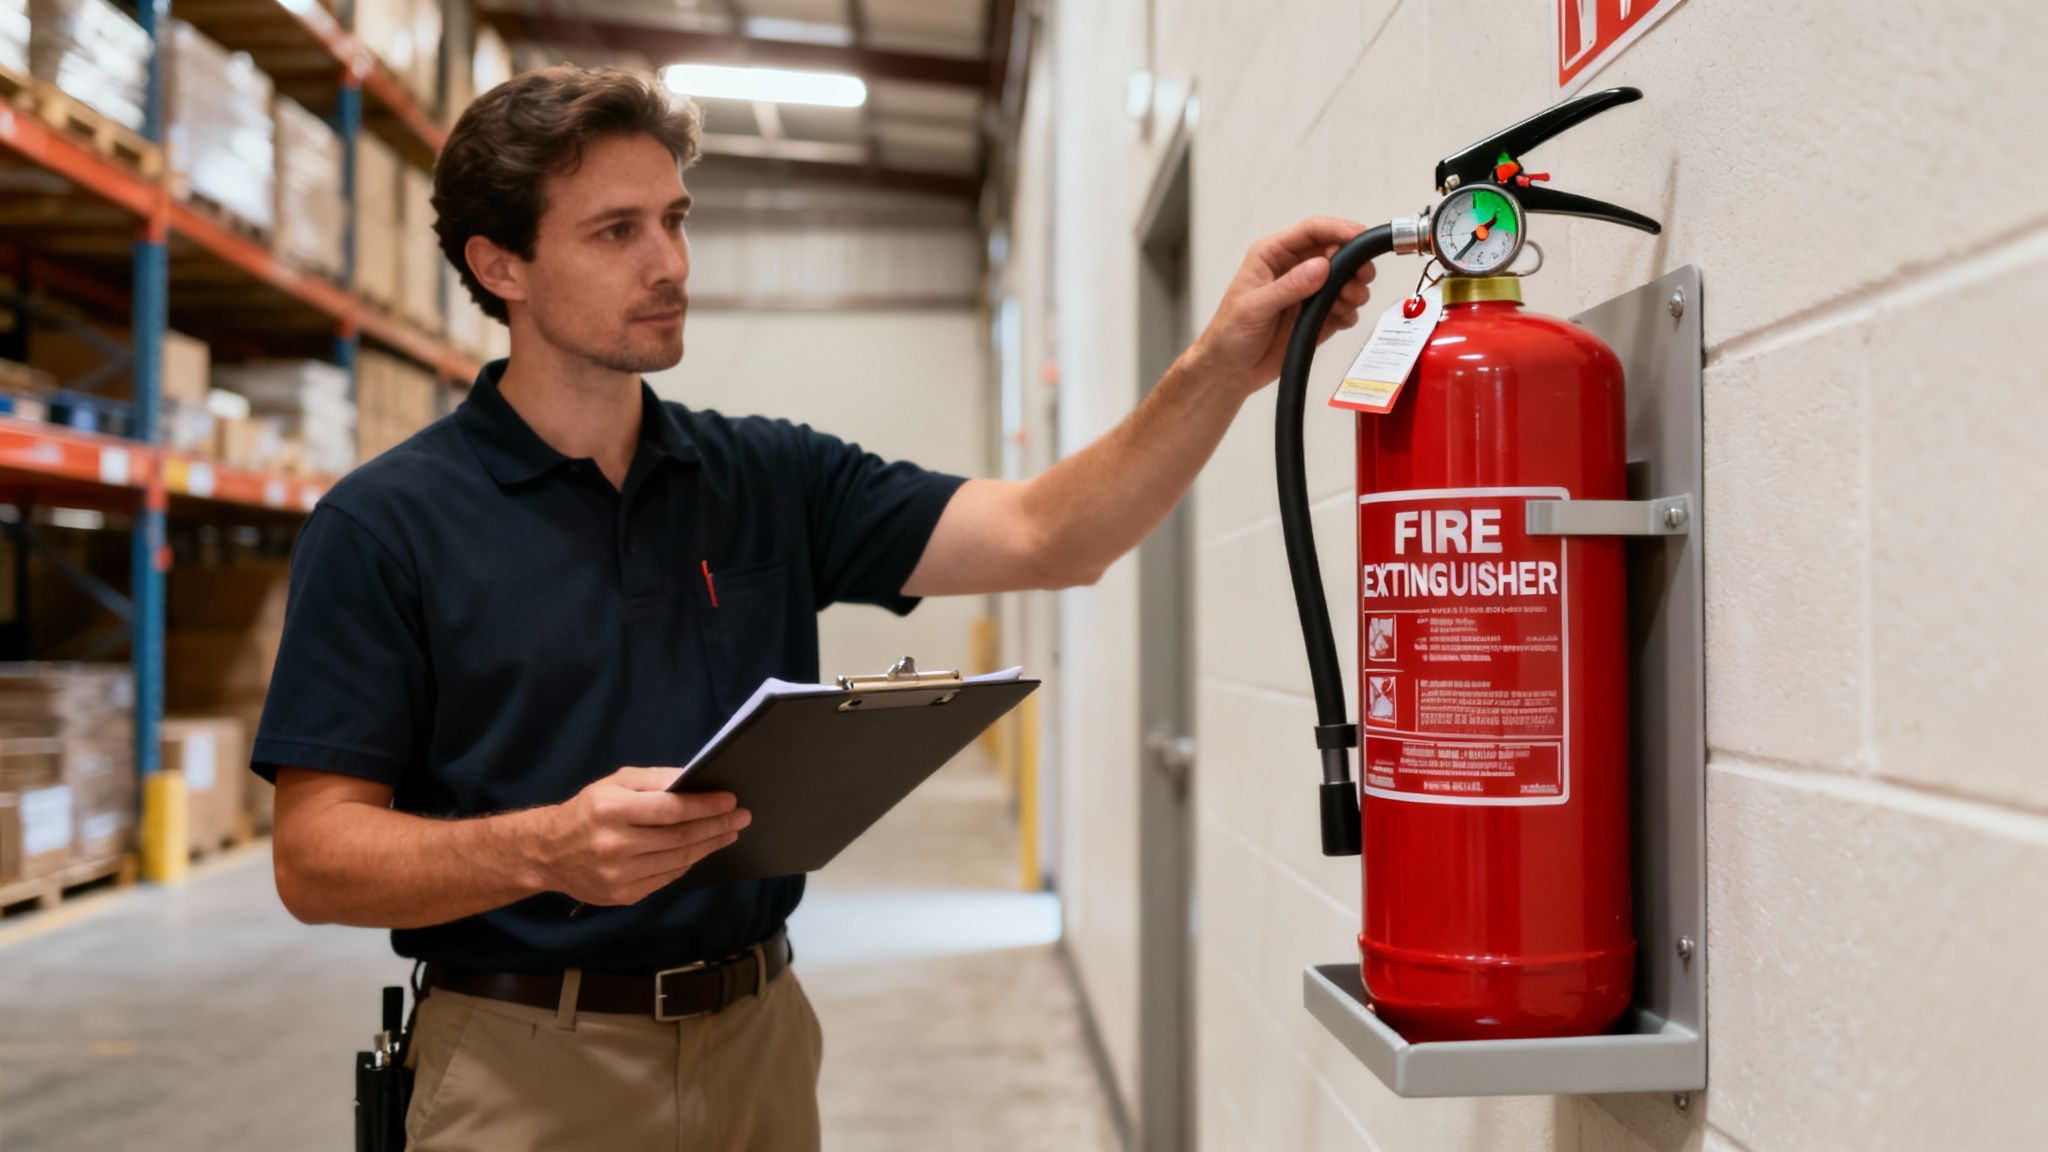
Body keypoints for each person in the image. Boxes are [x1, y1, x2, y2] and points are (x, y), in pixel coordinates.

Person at [254, 64, 1374, 1152]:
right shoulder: (385, 524)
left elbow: (1051, 535)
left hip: (761, 1043)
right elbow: (315, 857)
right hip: (522, 1065)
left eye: (675, 219)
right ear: (501, 266)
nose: (670, 262)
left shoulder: (765, 478)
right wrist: (546, 849)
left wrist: (1224, 363)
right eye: (616, 232)